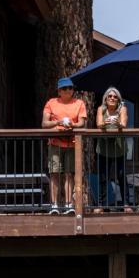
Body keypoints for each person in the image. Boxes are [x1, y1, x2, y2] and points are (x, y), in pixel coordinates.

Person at [42, 77, 88, 214]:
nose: (68, 91)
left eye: (71, 88)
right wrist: (59, 122)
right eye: (65, 88)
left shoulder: (79, 103)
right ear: (59, 91)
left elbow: (82, 123)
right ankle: (54, 205)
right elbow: (44, 123)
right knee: (54, 173)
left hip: (72, 142)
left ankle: (68, 205)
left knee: (69, 174)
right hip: (55, 142)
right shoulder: (51, 103)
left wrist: (73, 125)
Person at [94, 87, 131, 211]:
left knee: (121, 175)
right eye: (109, 96)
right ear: (105, 98)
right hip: (104, 148)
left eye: (115, 96)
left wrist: (118, 123)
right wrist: (106, 121)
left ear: (118, 99)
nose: (112, 98)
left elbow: (124, 124)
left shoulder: (122, 108)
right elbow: (99, 123)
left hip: (119, 147)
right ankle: (101, 205)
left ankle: (126, 204)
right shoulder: (101, 109)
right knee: (103, 177)